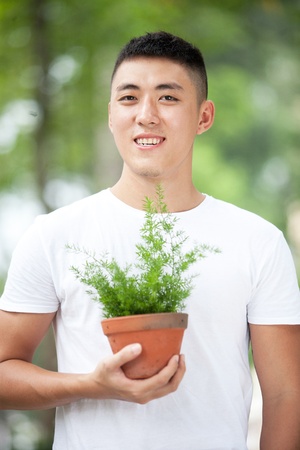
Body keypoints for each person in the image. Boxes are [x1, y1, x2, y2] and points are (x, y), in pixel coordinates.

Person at [0, 31, 299, 450]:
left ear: (204, 116)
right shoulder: (54, 234)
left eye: (169, 97)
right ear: (110, 115)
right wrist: (91, 384)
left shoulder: (258, 241)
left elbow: (287, 396)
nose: (146, 114)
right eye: (128, 98)